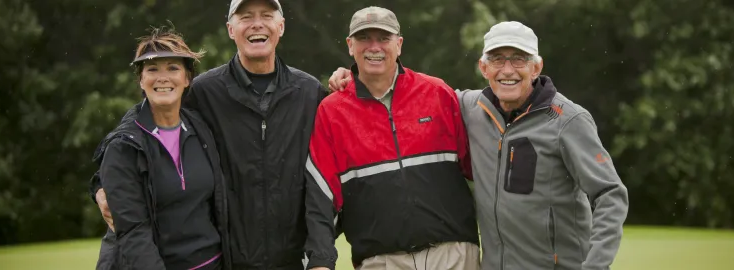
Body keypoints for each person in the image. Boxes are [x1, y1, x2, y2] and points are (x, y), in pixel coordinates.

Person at [328, 21, 629, 270]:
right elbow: (412, 91)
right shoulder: (468, 106)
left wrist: (596, 265)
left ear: (536, 68)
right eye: (498, 59)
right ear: (484, 68)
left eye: (519, 59)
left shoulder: (568, 120)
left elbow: (610, 195)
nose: (507, 70)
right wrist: (359, 76)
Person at [90, 0, 334, 269]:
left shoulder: (310, 93)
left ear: (281, 26)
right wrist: (102, 183)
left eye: (266, 15)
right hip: (231, 261)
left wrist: (349, 78)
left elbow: (330, 166)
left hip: (291, 261)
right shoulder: (204, 93)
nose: (257, 23)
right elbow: (144, 122)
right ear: (231, 29)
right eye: (245, 17)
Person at [305, 6, 480, 270]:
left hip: (453, 255)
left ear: (399, 45)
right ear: (350, 45)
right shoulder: (332, 112)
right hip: (381, 261)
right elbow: (320, 197)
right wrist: (320, 262)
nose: (374, 46)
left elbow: (483, 169)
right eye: (364, 38)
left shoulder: (437, 93)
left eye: (384, 38)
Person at [92, 26, 229, 270]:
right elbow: (133, 233)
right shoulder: (123, 146)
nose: (162, 77)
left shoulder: (202, 127)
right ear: (141, 80)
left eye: (173, 68)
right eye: (152, 69)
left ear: (187, 79)